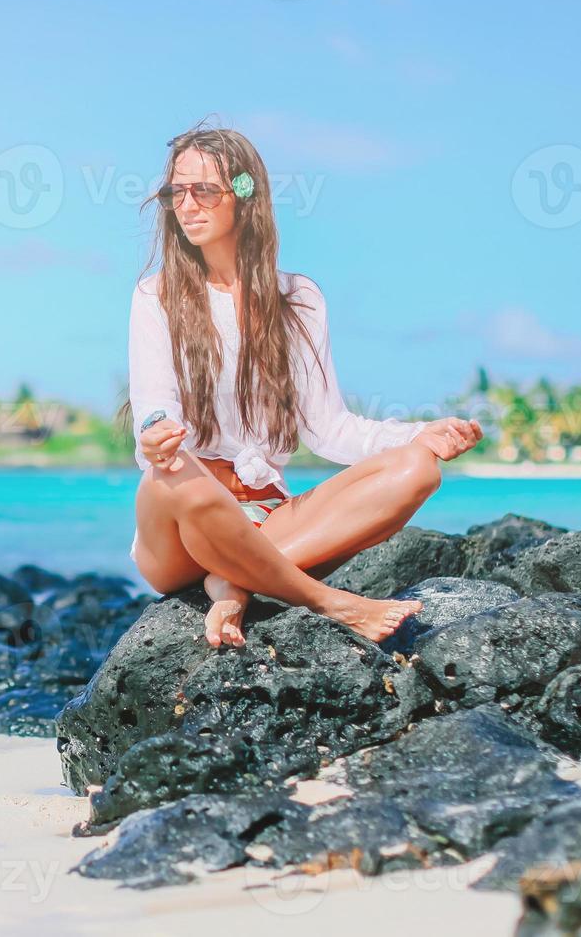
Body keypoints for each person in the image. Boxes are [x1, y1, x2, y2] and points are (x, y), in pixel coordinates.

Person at [120, 123, 483, 649]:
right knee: (169, 469)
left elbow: (331, 429)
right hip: (181, 531)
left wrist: (421, 433)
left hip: (270, 519)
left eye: (204, 190)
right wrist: (155, 432)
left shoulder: (298, 298)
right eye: (176, 191)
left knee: (417, 470)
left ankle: (234, 582)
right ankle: (330, 603)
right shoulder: (156, 294)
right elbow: (156, 405)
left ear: (245, 197)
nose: (186, 205)